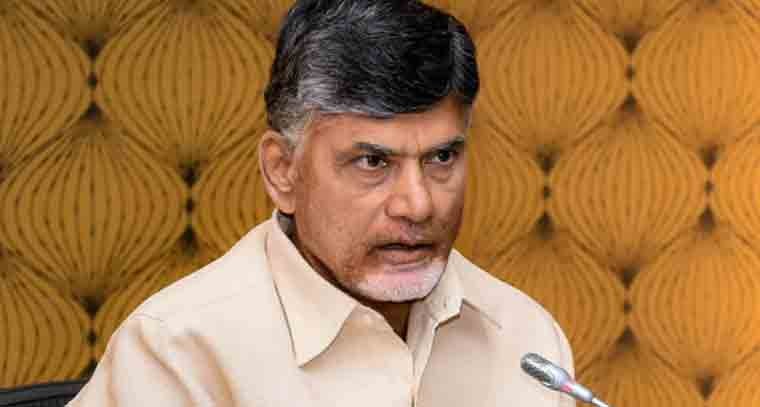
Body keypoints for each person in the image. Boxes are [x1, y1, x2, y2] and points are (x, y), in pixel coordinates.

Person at [68, 0, 574, 405]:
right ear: (282, 171)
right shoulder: (177, 355)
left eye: (442, 157)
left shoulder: (525, 340)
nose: (418, 205)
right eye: (373, 162)